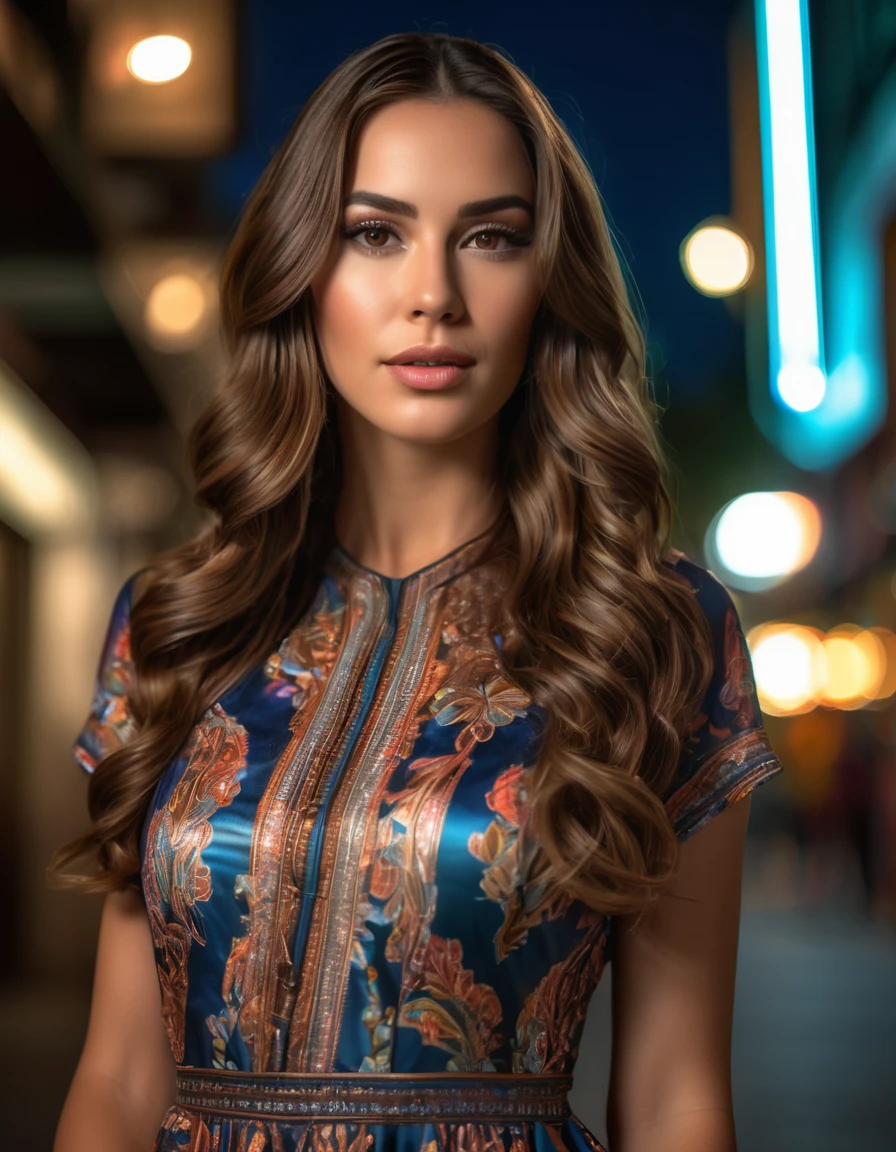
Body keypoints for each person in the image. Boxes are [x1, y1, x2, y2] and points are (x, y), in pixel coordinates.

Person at [50, 30, 784, 1152]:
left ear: (550, 280)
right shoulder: (179, 622)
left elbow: (675, 1098)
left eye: (489, 237)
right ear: (304, 267)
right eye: (373, 234)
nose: (433, 294)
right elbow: (111, 1081)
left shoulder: (653, 631)